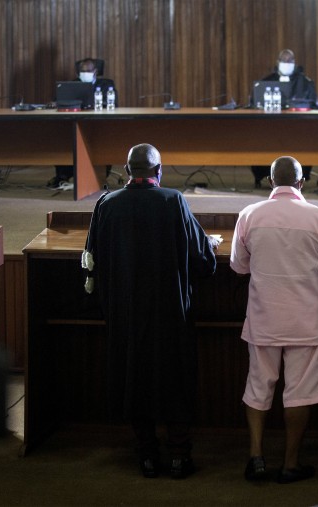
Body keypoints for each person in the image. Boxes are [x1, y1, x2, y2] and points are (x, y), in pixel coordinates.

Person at [82, 143, 218, 479]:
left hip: (125, 314)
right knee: (174, 381)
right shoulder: (172, 201)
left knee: (134, 378)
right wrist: (209, 245)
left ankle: (146, 455)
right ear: (160, 172)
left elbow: (91, 260)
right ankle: (179, 457)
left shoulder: (106, 204)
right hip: (168, 313)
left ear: (127, 172)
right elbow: (202, 263)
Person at [230, 156, 318, 483]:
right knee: (300, 393)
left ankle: (256, 458)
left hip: (264, 318)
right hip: (305, 322)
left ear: (269, 182)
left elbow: (239, 266)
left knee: (257, 387)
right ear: (302, 183)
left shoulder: (249, 215)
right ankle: (290, 464)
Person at [250, 49, 318, 188]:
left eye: (290, 61)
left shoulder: (305, 82)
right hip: (270, 128)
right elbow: (255, 103)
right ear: (278, 63)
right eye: (284, 60)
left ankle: (299, 175)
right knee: (262, 139)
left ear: (294, 63)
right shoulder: (266, 81)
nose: (287, 63)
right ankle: (263, 174)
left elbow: (313, 104)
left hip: (299, 129)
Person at [48, 58, 118, 188]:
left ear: (96, 71)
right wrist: (55, 103)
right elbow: (58, 101)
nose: (85, 73)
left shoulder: (106, 84)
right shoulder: (72, 84)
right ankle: (63, 175)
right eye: (82, 71)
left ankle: (100, 175)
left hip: (100, 125)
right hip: (74, 124)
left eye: (88, 71)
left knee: (103, 143)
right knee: (61, 139)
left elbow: (114, 104)